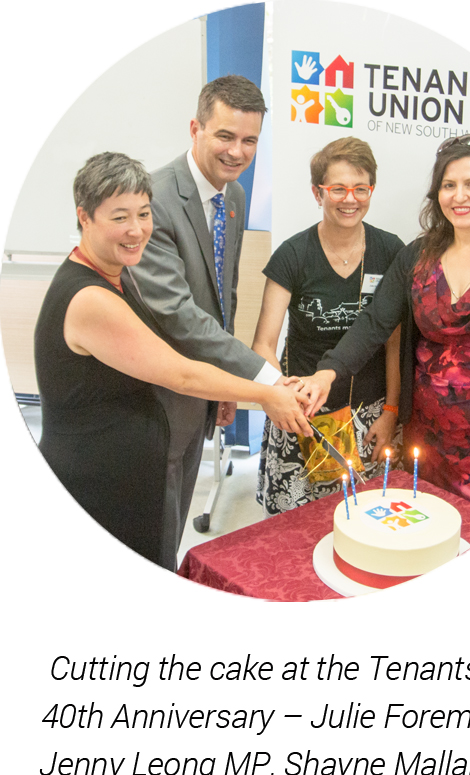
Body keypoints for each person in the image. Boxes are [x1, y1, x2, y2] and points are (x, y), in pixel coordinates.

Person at [34, 152, 312, 569]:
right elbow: (181, 373)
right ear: (85, 217)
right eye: (119, 217)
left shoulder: (115, 273)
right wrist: (268, 392)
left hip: (123, 474)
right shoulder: (90, 299)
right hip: (97, 482)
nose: (136, 230)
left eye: (144, 214)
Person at [302, 135, 470, 517]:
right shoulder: (417, 255)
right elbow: (375, 322)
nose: (460, 196)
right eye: (449, 185)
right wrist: (328, 372)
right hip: (426, 439)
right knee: (425, 532)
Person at [126, 74, 287, 566]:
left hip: (201, 390)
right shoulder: (152, 200)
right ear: (195, 128)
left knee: (175, 518)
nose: (237, 152)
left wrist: (225, 387)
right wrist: (260, 378)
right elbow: (179, 315)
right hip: (154, 397)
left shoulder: (233, 197)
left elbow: (223, 296)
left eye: (249, 140)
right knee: (153, 525)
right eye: (225, 136)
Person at [252, 137, 404, 515]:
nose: (349, 199)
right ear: (317, 192)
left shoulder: (391, 252)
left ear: (371, 190)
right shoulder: (293, 254)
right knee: (297, 532)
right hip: (302, 414)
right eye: (338, 188)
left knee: (367, 524)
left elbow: (395, 344)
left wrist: (391, 412)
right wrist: (279, 394)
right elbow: (263, 344)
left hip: (369, 416)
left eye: (360, 188)